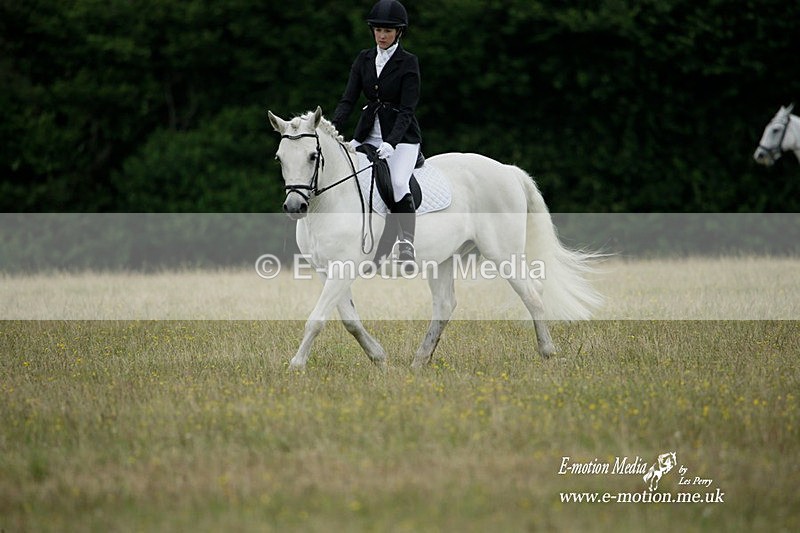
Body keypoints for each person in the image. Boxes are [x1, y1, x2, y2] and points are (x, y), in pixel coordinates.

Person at [332, 0, 421, 265]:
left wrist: (392, 142)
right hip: (367, 133)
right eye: (378, 30)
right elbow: (348, 100)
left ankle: (406, 244)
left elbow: (407, 110)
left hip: (402, 139)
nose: (382, 36)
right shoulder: (364, 58)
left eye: (388, 31)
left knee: (397, 183)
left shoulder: (408, 63)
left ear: (399, 33)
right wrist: (331, 129)